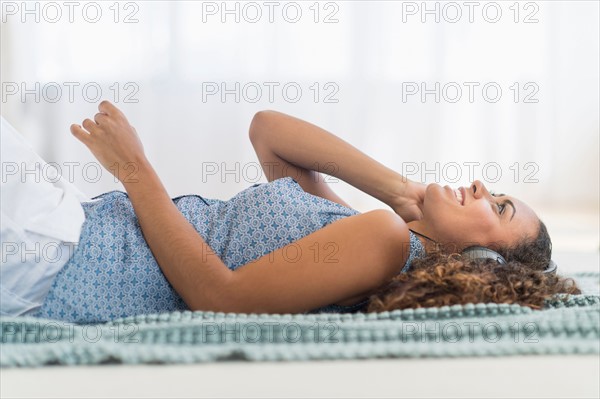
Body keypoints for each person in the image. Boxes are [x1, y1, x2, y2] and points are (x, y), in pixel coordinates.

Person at [0, 102, 579, 323]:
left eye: (499, 206)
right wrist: (402, 193)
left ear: (479, 260)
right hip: (71, 233)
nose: (481, 185)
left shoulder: (385, 243)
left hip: (66, 256)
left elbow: (219, 298)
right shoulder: (372, 228)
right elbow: (269, 132)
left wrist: (134, 169)